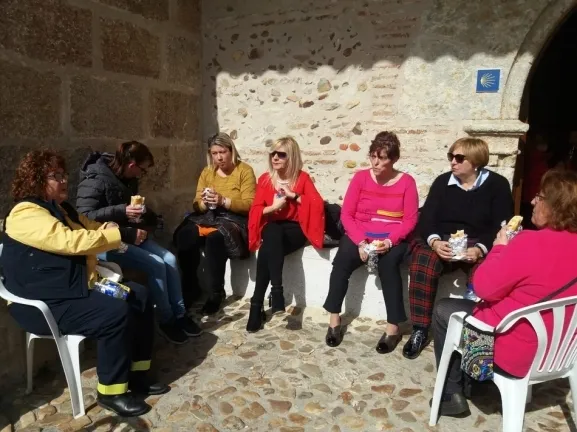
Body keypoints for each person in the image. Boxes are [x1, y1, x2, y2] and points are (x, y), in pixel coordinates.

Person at [1, 150, 169, 417]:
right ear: (36, 179)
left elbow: (90, 227)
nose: (64, 180)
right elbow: (70, 242)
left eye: (63, 174)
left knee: (139, 296)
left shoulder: (62, 208)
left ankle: (137, 374)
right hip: (43, 301)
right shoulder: (26, 213)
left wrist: (109, 228)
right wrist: (121, 234)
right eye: (55, 175)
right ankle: (111, 392)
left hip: (73, 287)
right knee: (115, 312)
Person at [431, 169, 577, 417]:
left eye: (540, 197)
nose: (533, 201)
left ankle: (452, 393)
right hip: (561, 351)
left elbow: (483, 287)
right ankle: (472, 383)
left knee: (445, 309)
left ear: (555, 206)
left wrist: (499, 248)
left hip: (516, 353)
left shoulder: (529, 242)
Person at [76, 141, 201, 344]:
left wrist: (141, 217)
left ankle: (180, 315)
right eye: (142, 170)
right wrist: (122, 212)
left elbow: (126, 210)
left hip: (129, 234)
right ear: (132, 164)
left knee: (169, 259)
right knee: (156, 264)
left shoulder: (128, 178)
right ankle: (167, 320)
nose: (142, 175)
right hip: (105, 242)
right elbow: (83, 215)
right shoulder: (96, 177)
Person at [404, 138, 514, 360]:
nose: (453, 162)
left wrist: (481, 249)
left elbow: (501, 224)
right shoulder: (442, 182)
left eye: (459, 158)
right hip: (444, 242)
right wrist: (435, 242)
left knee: (486, 274)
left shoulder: (498, 185)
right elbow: (427, 218)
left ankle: (475, 339)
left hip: (478, 243)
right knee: (423, 261)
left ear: (476, 161)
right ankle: (420, 329)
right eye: (451, 156)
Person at [323, 132, 418, 352]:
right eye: (373, 156)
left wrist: (390, 241)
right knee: (342, 261)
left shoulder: (407, 183)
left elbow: (410, 219)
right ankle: (334, 318)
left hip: (392, 237)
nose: (375, 162)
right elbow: (347, 215)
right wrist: (360, 242)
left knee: (389, 265)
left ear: (394, 159)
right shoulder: (360, 178)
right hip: (360, 234)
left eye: (382, 158)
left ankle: (393, 327)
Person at [246, 136, 325, 333]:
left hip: (295, 229)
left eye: (281, 154)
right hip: (273, 229)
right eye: (273, 153)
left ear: (292, 157)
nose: (275, 157)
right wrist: (274, 207)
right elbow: (255, 211)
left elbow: (317, 205)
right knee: (271, 235)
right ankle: (276, 291)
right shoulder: (265, 179)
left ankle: (257, 305)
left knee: (269, 245)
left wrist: (294, 195)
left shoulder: (302, 178)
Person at [174, 133, 256, 314]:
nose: (219, 157)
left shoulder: (244, 171)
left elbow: (250, 204)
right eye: (214, 153)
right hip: (209, 216)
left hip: (234, 218)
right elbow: (196, 203)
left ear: (231, 151)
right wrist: (204, 202)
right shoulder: (207, 172)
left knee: (215, 238)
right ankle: (191, 285)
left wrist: (223, 201)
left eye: (223, 152)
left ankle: (216, 293)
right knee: (185, 235)